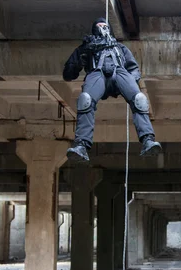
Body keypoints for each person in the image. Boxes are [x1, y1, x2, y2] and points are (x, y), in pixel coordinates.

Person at [63, 18, 162, 162]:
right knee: (85, 100)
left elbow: (133, 68)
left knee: (139, 99)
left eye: (105, 26)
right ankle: (81, 145)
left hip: (120, 72)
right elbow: (68, 74)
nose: (103, 28)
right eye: (99, 26)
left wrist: (130, 84)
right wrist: (81, 59)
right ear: (94, 29)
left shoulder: (120, 48)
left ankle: (148, 140)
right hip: (97, 73)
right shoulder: (86, 48)